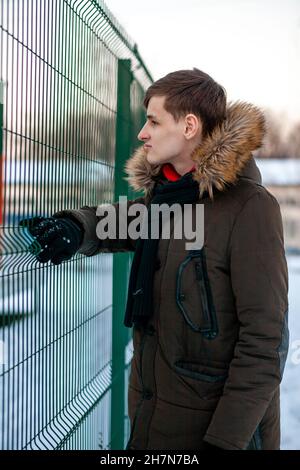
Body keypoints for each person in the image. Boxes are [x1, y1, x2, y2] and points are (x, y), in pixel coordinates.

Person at [19, 68, 289, 450]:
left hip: (218, 432)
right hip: (153, 423)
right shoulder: (167, 200)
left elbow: (265, 345)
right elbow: (118, 221)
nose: (143, 133)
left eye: (153, 120)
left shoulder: (250, 209)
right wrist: (75, 228)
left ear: (189, 126)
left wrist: (223, 443)